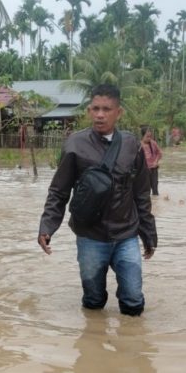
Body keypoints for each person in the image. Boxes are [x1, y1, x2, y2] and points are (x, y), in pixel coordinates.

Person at [38, 84, 157, 317]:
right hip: (90, 235)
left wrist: (148, 234)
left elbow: (141, 193)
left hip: (126, 234)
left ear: (118, 112)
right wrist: (47, 227)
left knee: (133, 300)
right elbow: (59, 191)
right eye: (95, 109)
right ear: (89, 111)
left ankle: (129, 346)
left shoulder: (131, 145)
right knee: (93, 301)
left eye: (106, 109)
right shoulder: (75, 144)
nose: (100, 114)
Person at [140, 126, 162, 196]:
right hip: (144, 170)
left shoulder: (153, 143)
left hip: (153, 169)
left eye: (150, 136)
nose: (149, 138)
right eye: (147, 136)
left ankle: (156, 202)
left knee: (155, 190)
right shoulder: (139, 145)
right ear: (143, 136)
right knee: (146, 190)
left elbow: (159, 153)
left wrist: (156, 161)